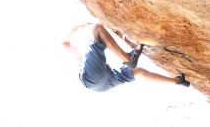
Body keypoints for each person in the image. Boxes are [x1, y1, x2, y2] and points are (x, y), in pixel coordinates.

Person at [62, 23, 190, 92]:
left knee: (140, 72)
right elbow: (65, 43)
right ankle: (128, 58)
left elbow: (66, 44)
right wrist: (80, 26)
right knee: (97, 29)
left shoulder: (87, 62)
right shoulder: (83, 61)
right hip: (93, 80)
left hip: (103, 85)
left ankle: (178, 81)